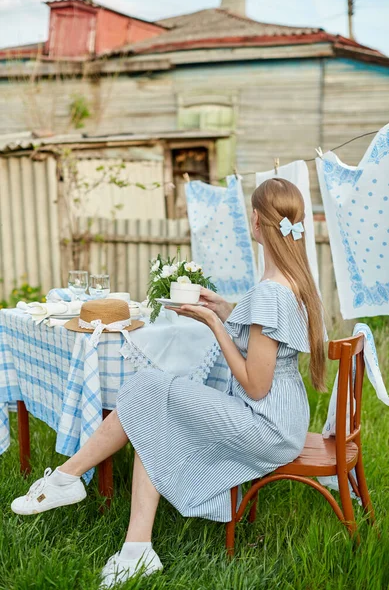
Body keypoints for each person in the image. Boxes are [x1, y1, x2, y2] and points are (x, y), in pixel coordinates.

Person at [11, 178, 327, 589]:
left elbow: (255, 384)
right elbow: (266, 341)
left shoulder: (272, 292)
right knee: (154, 403)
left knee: (147, 388)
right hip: (281, 415)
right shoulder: (291, 279)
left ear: (254, 221)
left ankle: (67, 479)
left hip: (266, 425)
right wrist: (228, 308)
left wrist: (215, 323)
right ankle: (135, 548)